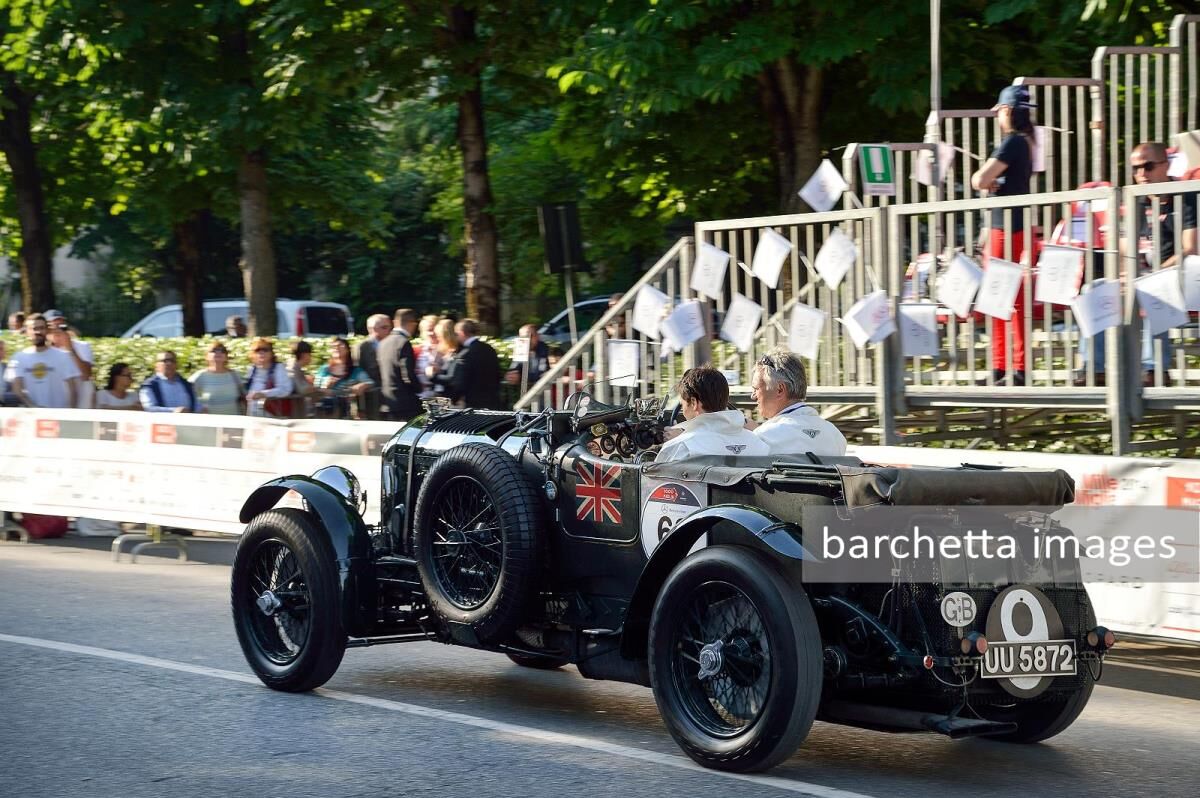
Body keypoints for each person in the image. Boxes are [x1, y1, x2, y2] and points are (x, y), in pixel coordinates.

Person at [1078, 141, 1196, 386]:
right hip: (1142, 273)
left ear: (1165, 165)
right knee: (1094, 288)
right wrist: (1123, 274)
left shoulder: (1186, 197)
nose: (1142, 174)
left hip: (1184, 274)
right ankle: (1095, 368)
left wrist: (1155, 273)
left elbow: (1190, 248)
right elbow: (1123, 249)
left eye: (1149, 166)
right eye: (1136, 168)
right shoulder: (1134, 199)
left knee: (1154, 286)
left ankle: (1155, 370)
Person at [971, 85, 1038, 386]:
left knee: (1000, 296)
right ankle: (1012, 367)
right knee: (1009, 296)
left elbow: (979, 179)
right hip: (1016, 225)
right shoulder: (1027, 142)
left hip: (1006, 228)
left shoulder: (1012, 142)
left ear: (1007, 111)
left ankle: (1006, 367)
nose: (998, 117)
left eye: (999, 111)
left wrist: (987, 181)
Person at [748, 348, 846, 457]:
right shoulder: (836, 436)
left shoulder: (763, 437)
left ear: (780, 389)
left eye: (756, 388)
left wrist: (751, 435)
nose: (753, 396)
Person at [657, 366, 768, 462]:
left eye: (683, 404)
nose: (683, 409)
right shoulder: (759, 445)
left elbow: (656, 485)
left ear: (694, 403)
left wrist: (679, 439)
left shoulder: (681, 447)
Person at [5, 314, 80, 408]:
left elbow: (73, 389)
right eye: (34, 328)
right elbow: (17, 390)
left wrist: (70, 413)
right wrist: (34, 407)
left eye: (41, 328)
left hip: (59, 416)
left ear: (47, 330)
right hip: (31, 417)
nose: (38, 332)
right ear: (26, 331)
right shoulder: (18, 358)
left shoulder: (63, 356)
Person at [436, 318, 501, 410]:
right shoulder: (489, 348)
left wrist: (454, 399)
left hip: (474, 402)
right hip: (493, 400)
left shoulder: (465, 353)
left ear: (462, 333)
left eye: (456, 334)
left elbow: (460, 381)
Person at [378, 307, 421, 421]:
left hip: (387, 400)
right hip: (405, 402)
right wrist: (419, 389)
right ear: (412, 324)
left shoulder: (383, 342)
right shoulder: (403, 342)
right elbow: (407, 375)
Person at [315, 337, 375, 418]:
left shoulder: (355, 371)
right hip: (326, 414)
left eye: (340, 345)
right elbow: (315, 388)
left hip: (346, 413)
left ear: (347, 350)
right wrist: (325, 387)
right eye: (333, 346)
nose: (336, 348)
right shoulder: (324, 369)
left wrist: (363, 385)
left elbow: (370, 382)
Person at [45, 309, 94, 407]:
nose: (57, 330)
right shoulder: (44, 351)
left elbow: (86, 375)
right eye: (53, 326)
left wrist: (70, 349)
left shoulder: (82, 346)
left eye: (61, 326)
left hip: (80, 404)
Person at [189, 341, 244, 415]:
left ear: (226, 356)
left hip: (234, 422)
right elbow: (190, 398)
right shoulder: (200, 376)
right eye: (214, 350)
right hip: (211, 423)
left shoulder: (235, 375)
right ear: (207, 356)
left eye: (222, 351)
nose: (218, 353)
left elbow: (244, 397)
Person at [244, 338, 294, 417]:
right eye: (257, 350)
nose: (261, 352)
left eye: (265, 349)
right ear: (252, 354)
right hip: (253, 414)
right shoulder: (252, 369)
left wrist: (263, 394)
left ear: (271, 353)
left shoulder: (278, 368)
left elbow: (285, 389)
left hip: (273, 415)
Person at [506, 323, 550, 388]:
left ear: (537, 336)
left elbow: (541, 373)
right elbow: (514, 369)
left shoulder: (544, 349)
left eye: (530, 336)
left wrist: (521, 377)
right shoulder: (521, 349)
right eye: (523, 337)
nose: (527, 340)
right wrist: (512, 375)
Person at [415, 314, 442, 399]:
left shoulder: (449, 349)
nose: (431, 333)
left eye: (434, 329)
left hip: (444, 396)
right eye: (428, 330)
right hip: (421, 396)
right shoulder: (416, 351)